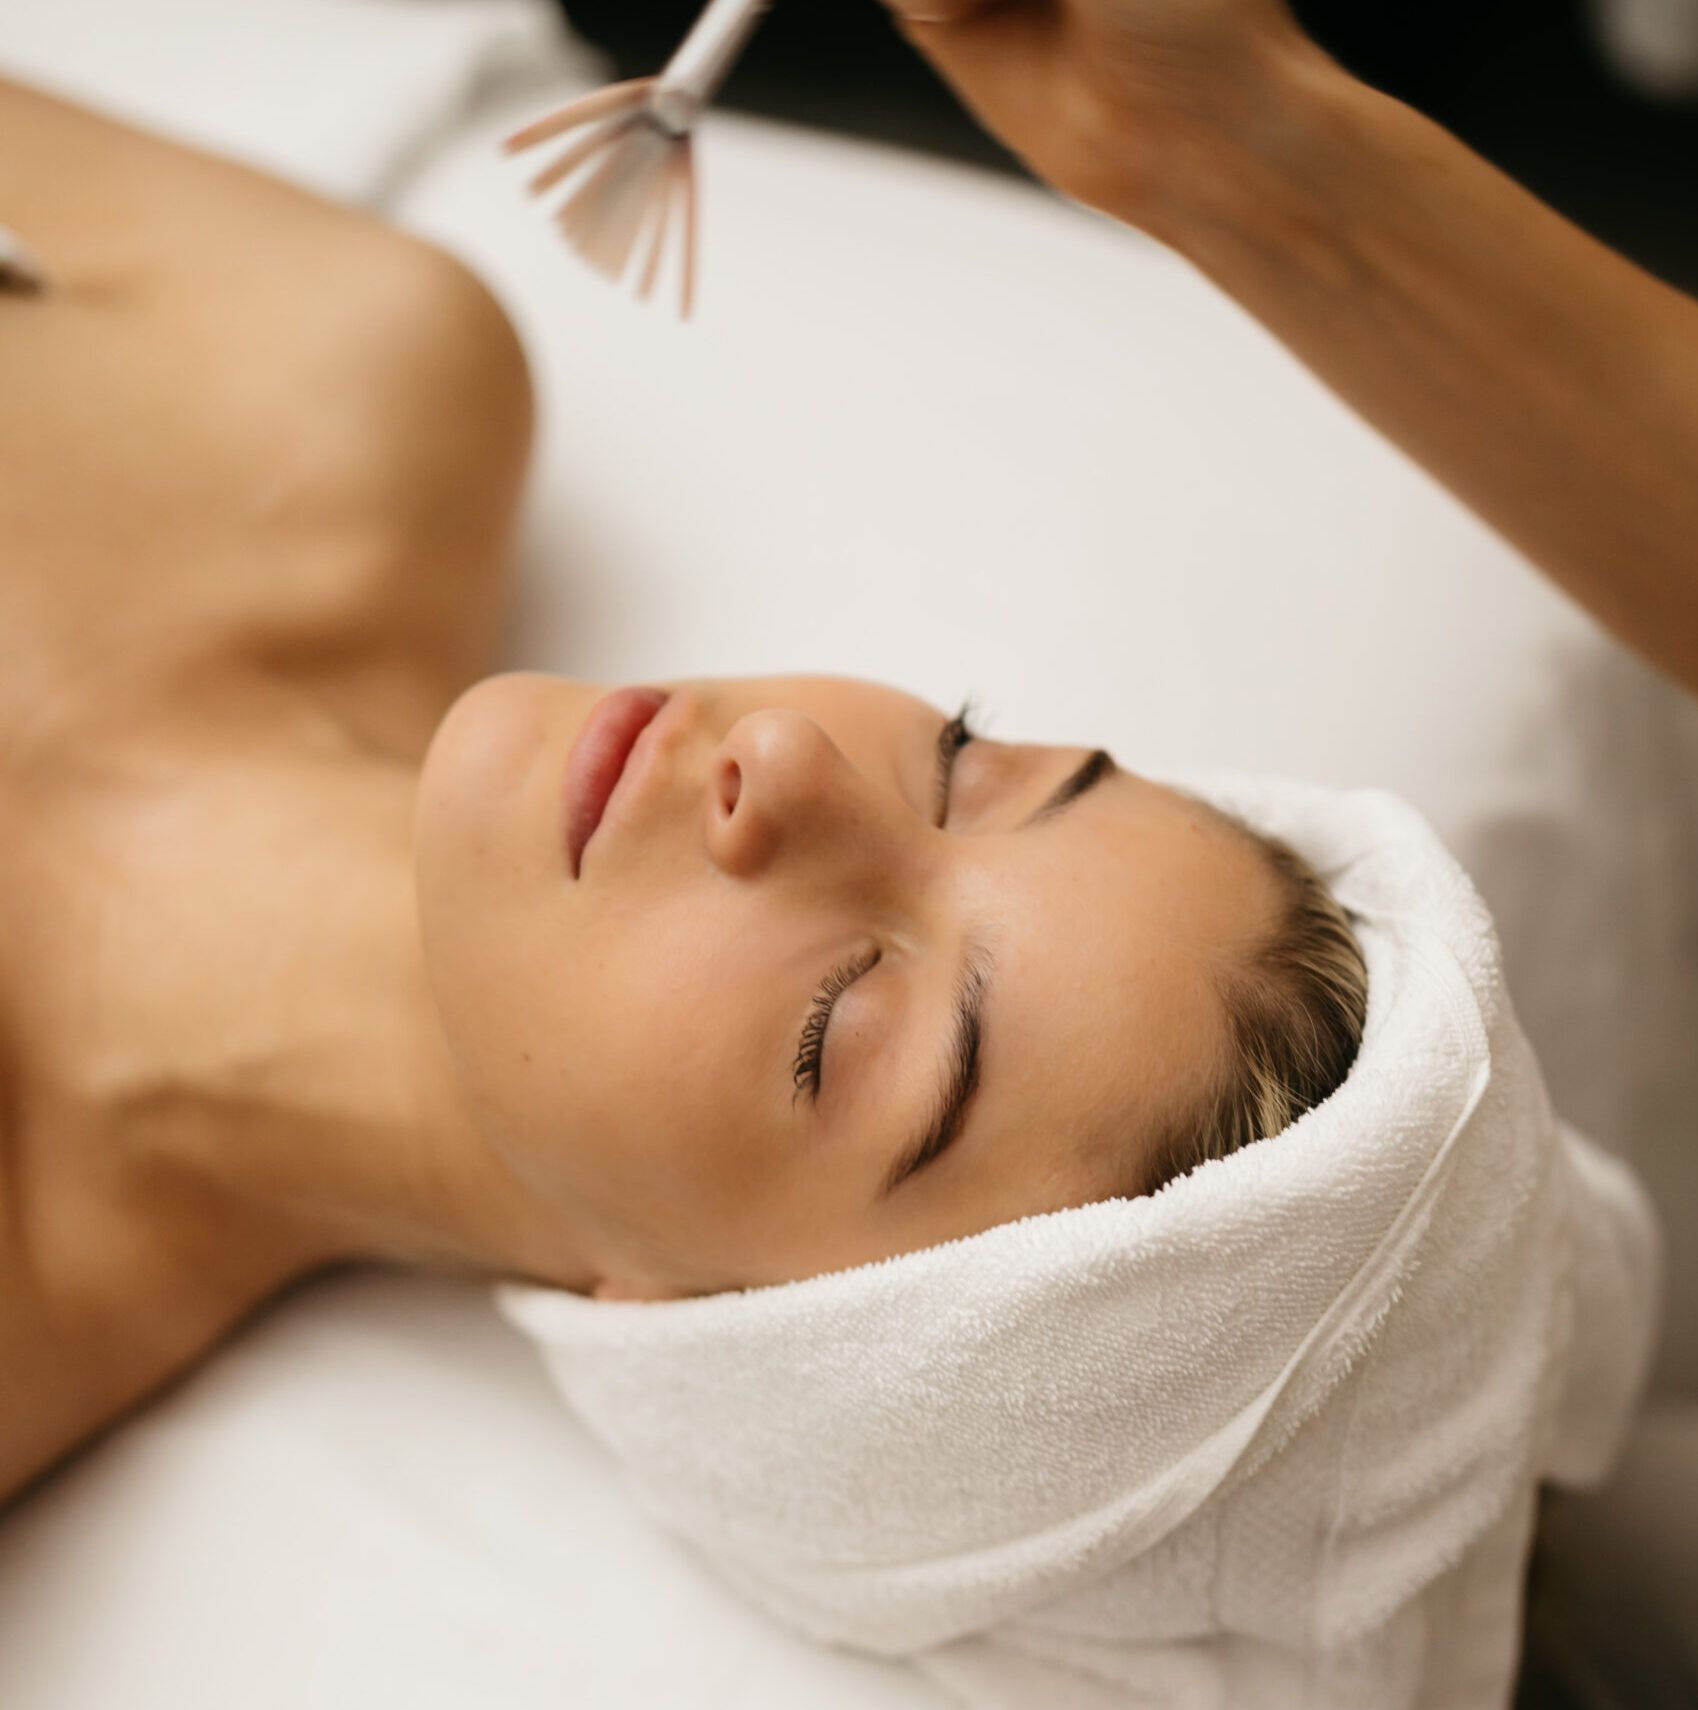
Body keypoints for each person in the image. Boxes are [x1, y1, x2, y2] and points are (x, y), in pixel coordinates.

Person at [0, 0, 1689, 1558]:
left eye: (845, 1018)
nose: (795, 764)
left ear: (707, 1339)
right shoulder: (346, 371)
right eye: (961, 763)